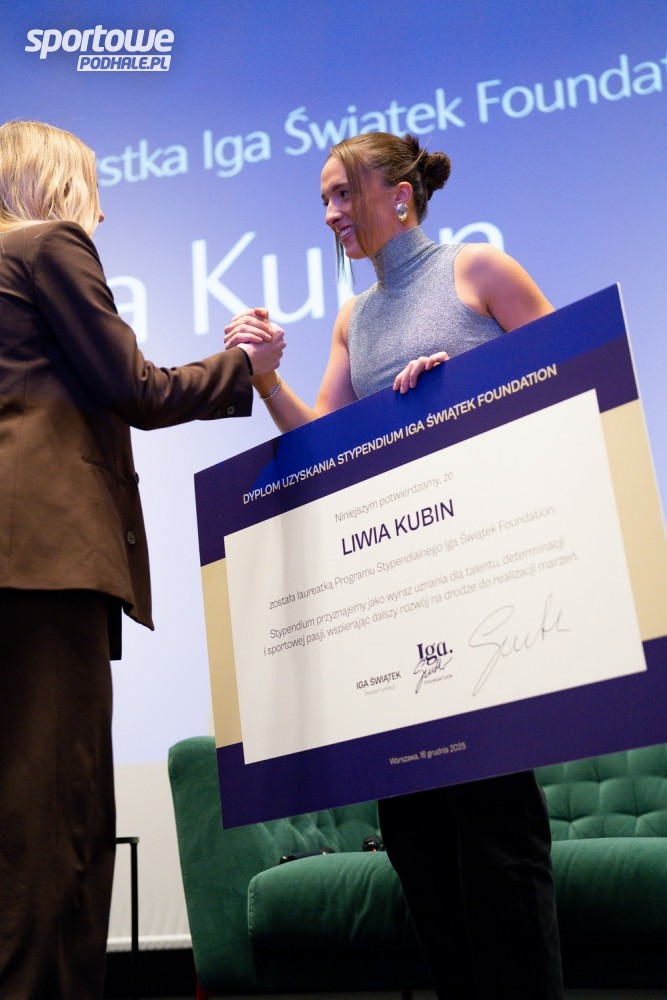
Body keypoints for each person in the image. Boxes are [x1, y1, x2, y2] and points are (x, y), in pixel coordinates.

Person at [223, 131, 563, 999]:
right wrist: (264, 379)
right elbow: (325, 443)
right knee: (415, 839)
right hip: (400, 606)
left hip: (487, 591)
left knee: (494, 831)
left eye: (342, 194)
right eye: (323, 201)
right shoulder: (354, 319)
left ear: (399, 196)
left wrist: (463, 386)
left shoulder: (479, 271)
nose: (330, 214)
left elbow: (569, 379)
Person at [0, 119, 284, 1000]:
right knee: (59, 816)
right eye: (92, 184)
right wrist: (243, 365)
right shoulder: (47, 245)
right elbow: (137, 387)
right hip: (46, 560)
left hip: (17, 564)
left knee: (23, 812)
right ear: (54, 181)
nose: (102, 207)